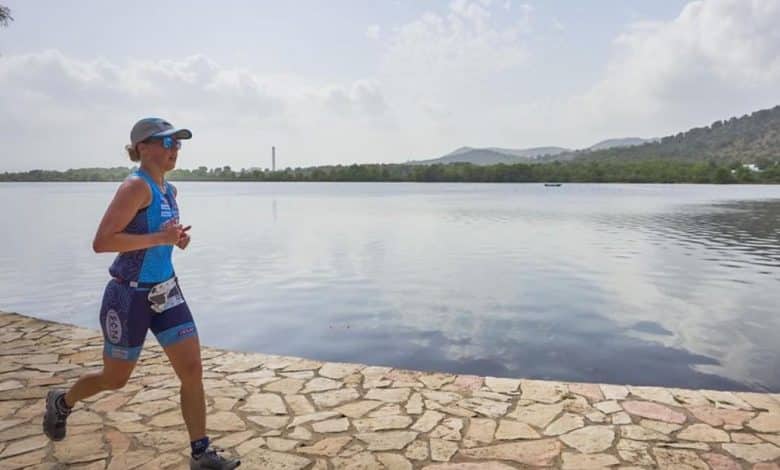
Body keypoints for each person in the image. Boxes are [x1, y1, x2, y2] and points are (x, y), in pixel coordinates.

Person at [43, 117, 240, 470]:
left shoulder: (169, 190)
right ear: (141, 148)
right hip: (128, 296)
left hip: (167, 292)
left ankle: (201, 453)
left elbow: (157, 239)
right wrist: (158, 239)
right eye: (166, 143)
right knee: (115, 379)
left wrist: (176, 239)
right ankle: (63, 401)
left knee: (192, 370)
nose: (174, 149)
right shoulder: (135, 187)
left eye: (178, 143)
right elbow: (102, 242)